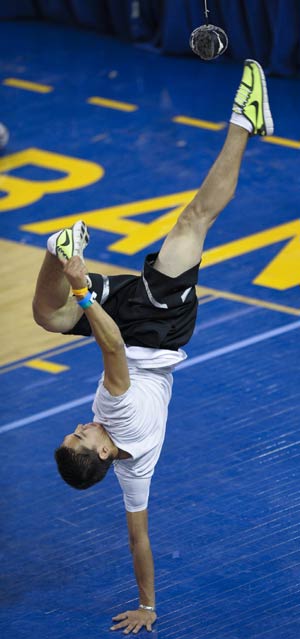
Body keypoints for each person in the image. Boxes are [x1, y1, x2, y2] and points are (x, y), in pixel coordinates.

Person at [33, 59, 273, 634]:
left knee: (45, 316)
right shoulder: (118, 416)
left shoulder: (129, 471)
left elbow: (138, 537)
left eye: (73, 432)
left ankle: (57, 245)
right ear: (105, 451)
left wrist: (149, 605)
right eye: (81, 435)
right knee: (195, 218)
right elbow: (112, 350)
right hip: (153, 330)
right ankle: (247, 119)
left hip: (139, 333)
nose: (79, 425)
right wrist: (83, 287)